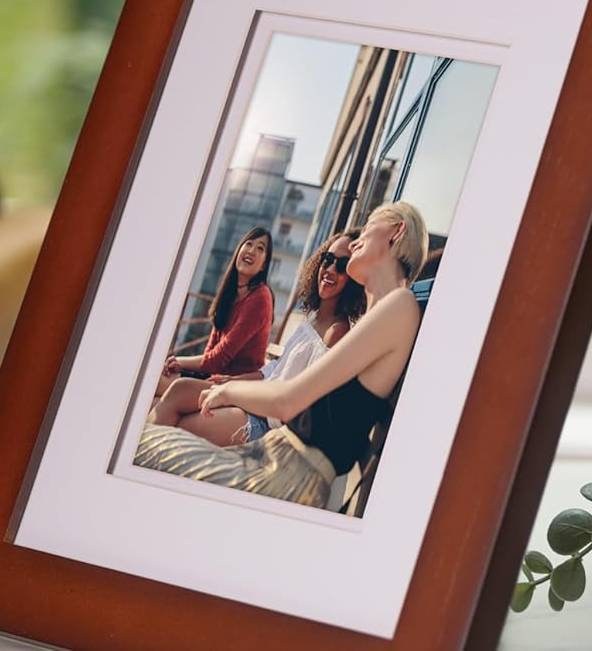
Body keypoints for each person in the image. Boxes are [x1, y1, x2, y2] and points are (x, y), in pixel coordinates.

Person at [134, 202, 429, 509]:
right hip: (274, 458)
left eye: (367, 229)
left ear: (396, 231)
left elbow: (288, 401)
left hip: (285, 473)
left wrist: (228, 390)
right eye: (329, 260)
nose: (356, 242)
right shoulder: (377, 315)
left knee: (141, 443)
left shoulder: (400, 305)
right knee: (144, 436)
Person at [149, 231, 365, 447]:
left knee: (177, 424)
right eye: (327, 259)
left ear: (354, 276)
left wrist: (235, 393)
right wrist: (233, 382)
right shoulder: (314, 316)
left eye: (342, 265)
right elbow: (275, 370)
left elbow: (299, 407)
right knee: (178, 390)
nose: (330, 269)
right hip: (253, 399)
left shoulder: (336, 331)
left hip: (265, 422)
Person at [163, 226, 274, 385]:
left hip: (234, 385)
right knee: (160, 376)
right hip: (215, 378)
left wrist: (179, 361)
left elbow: (218, 359)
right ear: (239, 250)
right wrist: (179, 364)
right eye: (249, 244)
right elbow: (210, 353)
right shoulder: (230, 293)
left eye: (260, 248)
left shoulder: (260, 298)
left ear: (264, 265)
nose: (251, 251)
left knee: (163, 381)